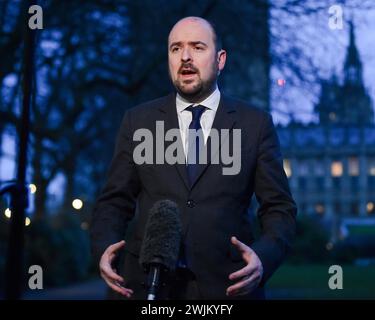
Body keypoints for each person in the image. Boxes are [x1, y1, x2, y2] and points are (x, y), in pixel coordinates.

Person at [90, 16, 297, 300]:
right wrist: (104, 248)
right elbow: (114, 201)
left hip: (228, 289)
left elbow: (280, 208)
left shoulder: (255, 125)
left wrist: (263, 258)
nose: (185, 57)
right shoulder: (137, 121)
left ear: (220, 59)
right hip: (146, 288)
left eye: (197, 47)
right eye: (175, 49)